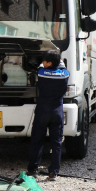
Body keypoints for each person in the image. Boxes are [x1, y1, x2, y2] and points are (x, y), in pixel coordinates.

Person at [27, 50, 70, 181]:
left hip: (42, 111)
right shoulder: (65, 74)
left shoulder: (41, 73)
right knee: (56, 142)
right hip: (57, 111)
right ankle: (53, 172)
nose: (42, 63)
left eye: (44, 61)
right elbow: (62, 66)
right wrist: (58, 57)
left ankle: (33, 169)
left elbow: (39, 67)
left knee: (37, 141)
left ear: (49, 62)